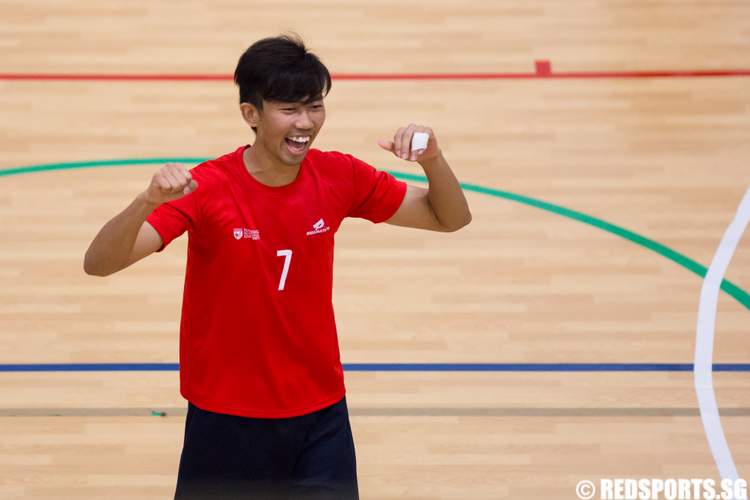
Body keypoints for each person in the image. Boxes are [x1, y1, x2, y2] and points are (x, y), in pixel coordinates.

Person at [83, 34, 471, 500]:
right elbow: (99, 264)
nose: (305, 123)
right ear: (251, 114)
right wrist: (145, 202)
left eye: (315, 107)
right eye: (289, 109)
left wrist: (433, 159)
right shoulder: (206, 188)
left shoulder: (340, 175)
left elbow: (449, 218)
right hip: (226, 418)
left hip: (320, 414)